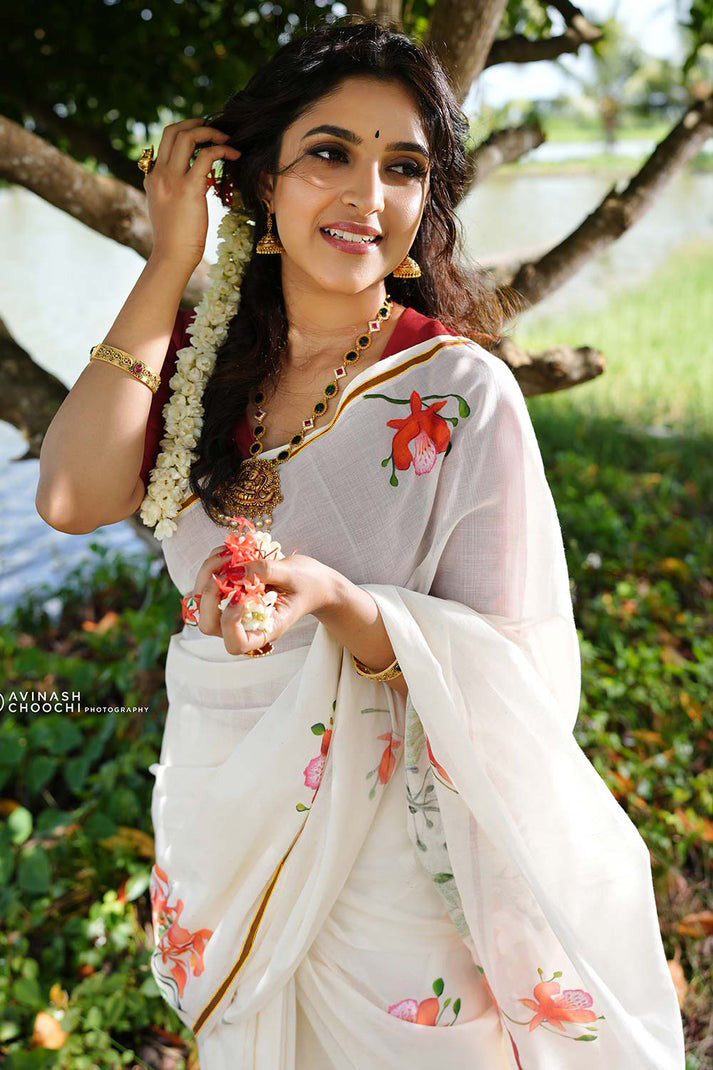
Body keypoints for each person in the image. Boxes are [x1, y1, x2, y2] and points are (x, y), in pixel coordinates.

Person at [36, 17, 686, 1070]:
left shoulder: (458, 393)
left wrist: (347, 604)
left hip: (399, 881)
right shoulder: (208, 374)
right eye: (329, 153)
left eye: (402, 168)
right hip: (233, 829)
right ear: (256, 182)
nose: (366, 196)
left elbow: (519, 679)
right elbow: (70, 494)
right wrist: (169, 262)